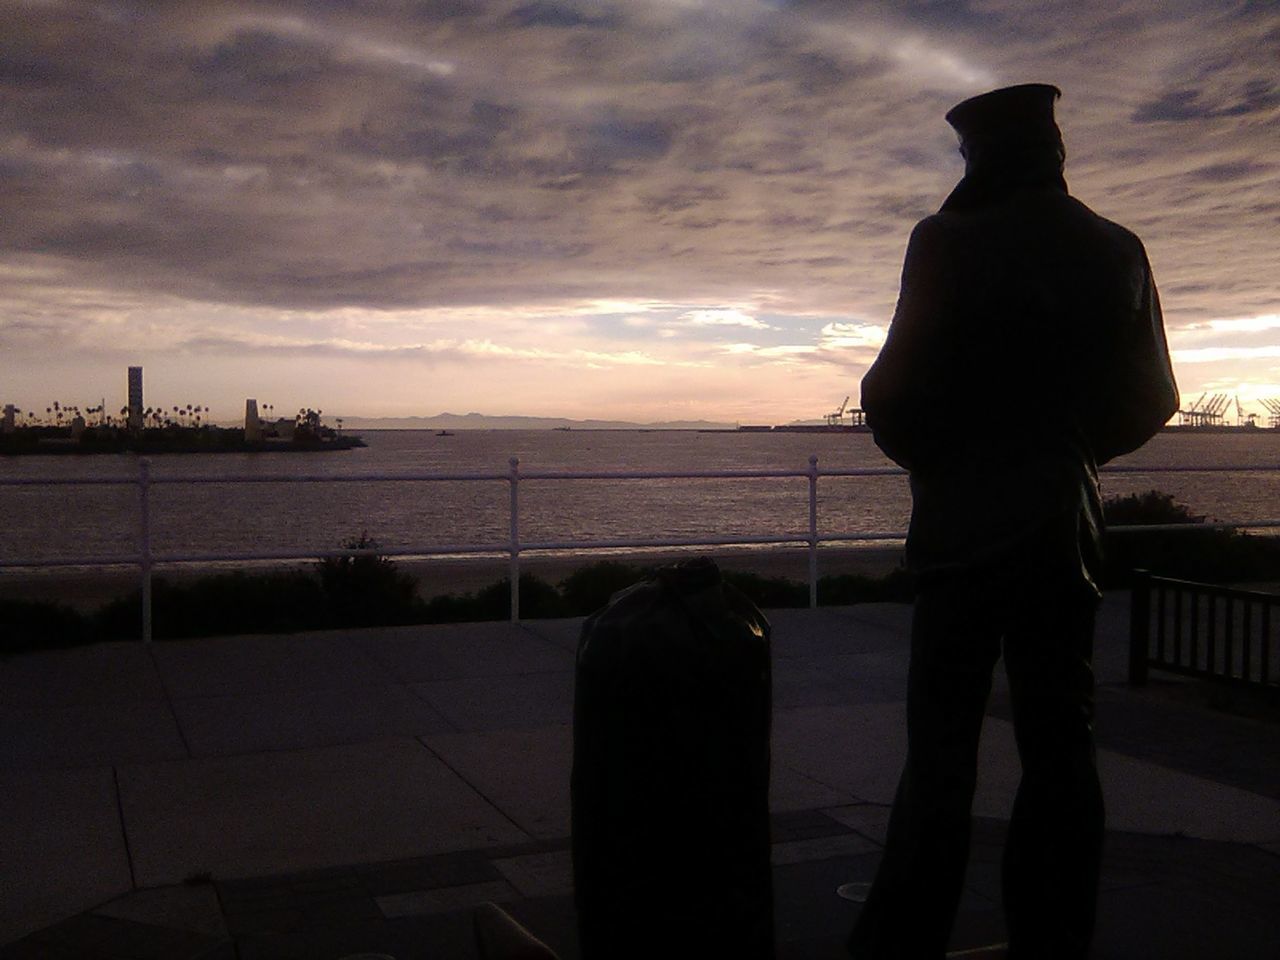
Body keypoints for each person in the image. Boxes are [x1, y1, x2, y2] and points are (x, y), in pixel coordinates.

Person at [847, 84, 1179, 959]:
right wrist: (1069, 454)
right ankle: (1056, 936)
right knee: (1063, 743)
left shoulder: (947, 240)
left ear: (982, 156)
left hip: (961, 530)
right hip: (1064, 528)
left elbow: (893, 393)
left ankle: (902, 941)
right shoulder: (1117, 249)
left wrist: (945, 457)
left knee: (942, 754)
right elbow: (1156, 396)